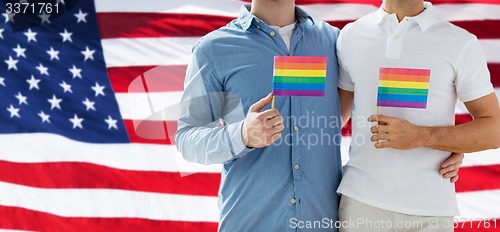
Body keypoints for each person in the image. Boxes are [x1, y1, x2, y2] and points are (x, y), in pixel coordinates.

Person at [176, 0, 463, 231]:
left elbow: (386, 103)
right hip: (251, 221)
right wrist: (241, 135)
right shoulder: (214, 49)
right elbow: (187, 139)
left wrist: (439, 144)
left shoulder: (335, 43)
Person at [336, 0, 500, 231]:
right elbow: (331, 121)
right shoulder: (351, 35)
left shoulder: (460, 43)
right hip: (361, 205)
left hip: (431, 212)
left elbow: (494, 129)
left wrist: (424, 137)